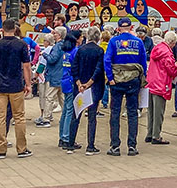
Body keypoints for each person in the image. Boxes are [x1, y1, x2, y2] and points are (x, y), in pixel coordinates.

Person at [0, 18, 33, 159]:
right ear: (15, 28)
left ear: (3, 29)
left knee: (0, 117)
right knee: (19, 117)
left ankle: (1, 148)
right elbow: (26, 66)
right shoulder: (22, 45)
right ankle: (22, 148)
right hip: (16, 85)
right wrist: (28, 84)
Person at [104, 16, 148, 157]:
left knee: (115, 113)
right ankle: (132, 146)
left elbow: (107, 60)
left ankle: (115, 146)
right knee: (132, 113)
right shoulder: (138, 42)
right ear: (131, 28)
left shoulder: (113, 41)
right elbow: (143, 63)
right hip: (133, 81)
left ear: (118, 28)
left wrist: (110, 78)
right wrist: (142, 79)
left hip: (116, 81)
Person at [74, 26, 106, 155]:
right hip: (94, 86)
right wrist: (89, 83)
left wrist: (79, 83)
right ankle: (90, 145)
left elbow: (74, 67)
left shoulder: (80, 50)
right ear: (98, 37)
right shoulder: (99, 51)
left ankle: (71, 143)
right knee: (92, 116)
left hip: (80, 86)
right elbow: (99, 69)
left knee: (77, 114)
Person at [146, 30, 177, 145]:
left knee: (151, 111)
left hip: (151, 82)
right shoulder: (167, 53)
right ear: (172, 42)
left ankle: (149, 133)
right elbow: (171, 70)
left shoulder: (157, 48)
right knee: (159, 112)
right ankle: (156, 135)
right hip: (161, 84)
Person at [58, 30, 82, 152]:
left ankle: (62, 136)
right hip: (72, 81)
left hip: (64, 80)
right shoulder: (75, 51)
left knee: (65, 110)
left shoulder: (65, 52)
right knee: (70, 110)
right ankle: (67, 138)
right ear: (77, 39)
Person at [37, 31, 64, 127]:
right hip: (61, 74)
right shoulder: (65, 45)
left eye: (55, 33)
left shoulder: (54, 48)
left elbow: (51, 60)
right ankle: (67, 117)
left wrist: (44, 54)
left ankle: (46, 119)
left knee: (48, 97)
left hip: (54, 75)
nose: (54, 34)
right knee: (62, 98)